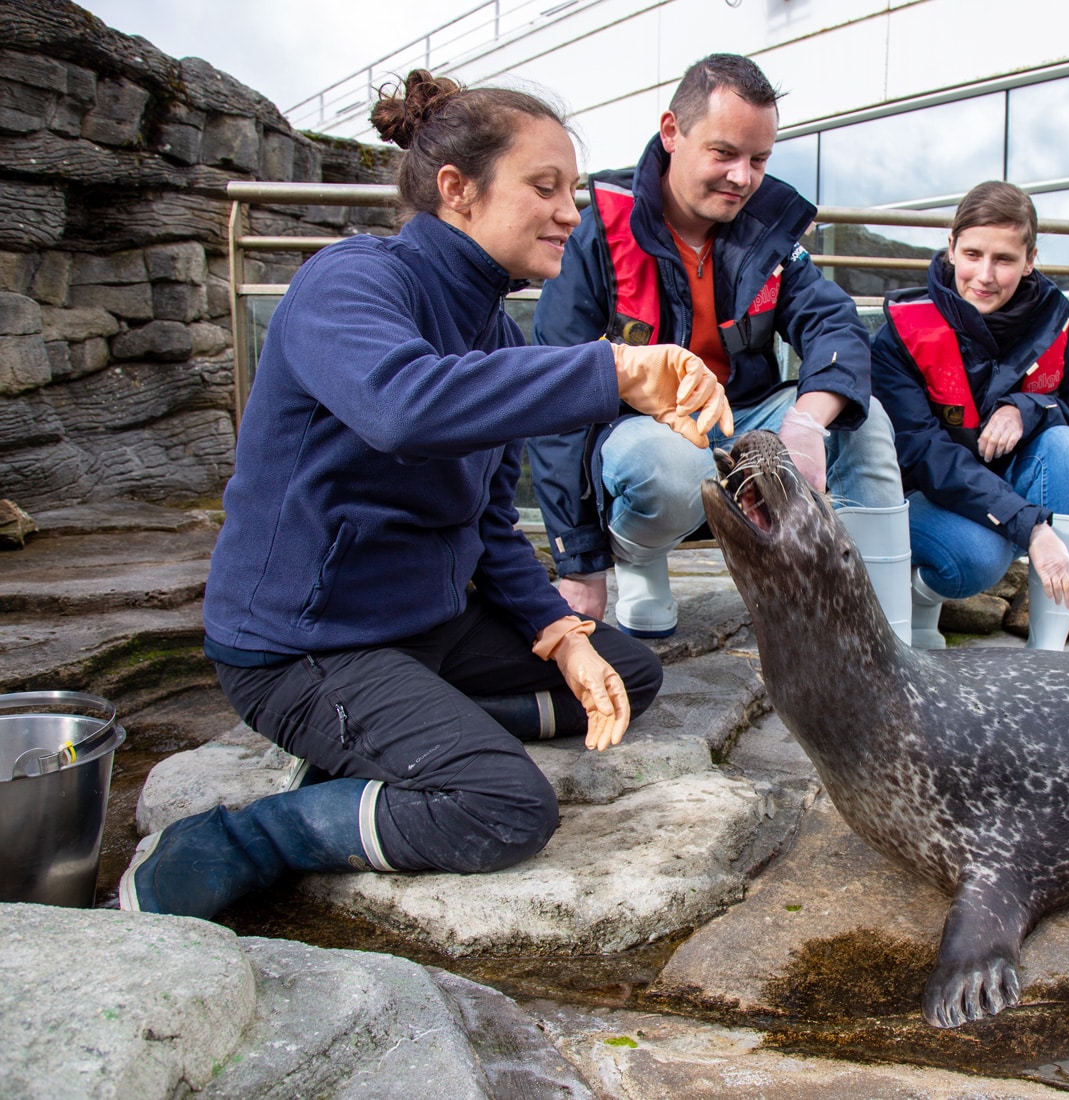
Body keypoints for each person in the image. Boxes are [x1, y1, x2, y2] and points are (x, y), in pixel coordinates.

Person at [118, 70, 734, 921]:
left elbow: (485, 516)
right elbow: (401, 407)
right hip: (307, 645)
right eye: (544, 188)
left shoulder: (488, 322)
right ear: (458, 191)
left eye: (574, 193)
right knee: (504, 807)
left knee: (626, 672)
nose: (571, 212)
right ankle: (243, 839)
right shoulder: (351, 283)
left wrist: (557, 633)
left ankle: (410, 730)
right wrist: (616, 367)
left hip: (423, 628)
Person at [527, 53, 911, 643]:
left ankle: (884, 637)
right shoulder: (594, 234)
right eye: (724, 153)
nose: (743, 178)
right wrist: (579, 565)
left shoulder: (768, 227)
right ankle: (639, 557)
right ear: (672, 132)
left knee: (868, 420)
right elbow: (554, 393)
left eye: (759, 160)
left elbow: (834, 323)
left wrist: (807, 423)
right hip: (644, 436)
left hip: (744, 415)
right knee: (670, 467)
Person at [871, 181, 1069, 651]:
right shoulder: (900, 334)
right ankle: (921, 598)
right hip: (925, 493)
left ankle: (1048, 655)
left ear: (1030, 260)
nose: (984, 275)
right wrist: (1031, 526)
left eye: (1003, 259)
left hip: (1006, 496)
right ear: (951, 248)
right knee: (977, 556)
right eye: (973, 254)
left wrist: (1031, 408)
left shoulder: (1066, 332)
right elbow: (921, 453)